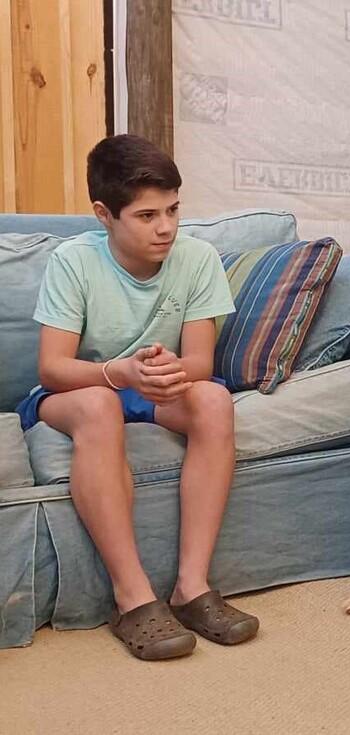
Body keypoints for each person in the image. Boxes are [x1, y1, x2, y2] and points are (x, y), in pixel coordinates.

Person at [15, 134, 259, 660]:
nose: (166, 227)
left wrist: (170, 370)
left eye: (173, 210)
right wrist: (119, 373)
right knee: (100, 404)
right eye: (147, 216)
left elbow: (200, 363)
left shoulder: (197, 258)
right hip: (80, 388)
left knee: (213, 401)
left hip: (150, 385)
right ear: (105, 214)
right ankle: (132, 599)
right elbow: (53, 368)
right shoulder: (73, 261)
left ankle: (192, 588)